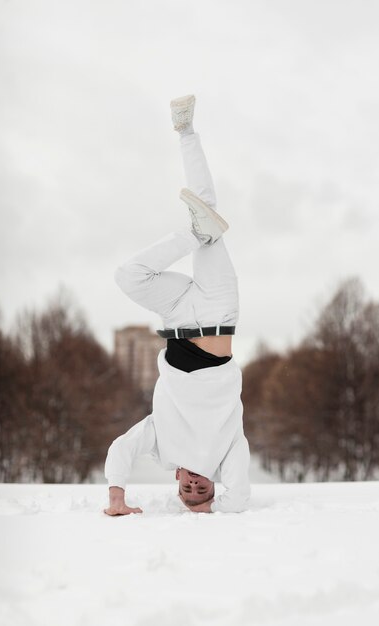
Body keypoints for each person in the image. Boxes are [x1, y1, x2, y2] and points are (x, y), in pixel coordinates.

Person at [103, 95, 251, 515]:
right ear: (212, 486)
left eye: (186, 491)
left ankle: (196, 234)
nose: (193, 485)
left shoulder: (162, 445)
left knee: (127, 276)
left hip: (176, 317)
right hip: (219, 313)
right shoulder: (228, 451)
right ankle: (185, 129)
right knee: (208, 208)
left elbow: (120, 448)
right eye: (201, 490)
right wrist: (209, 512)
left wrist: (117, 499)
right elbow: (238, 498)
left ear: (175, 479)